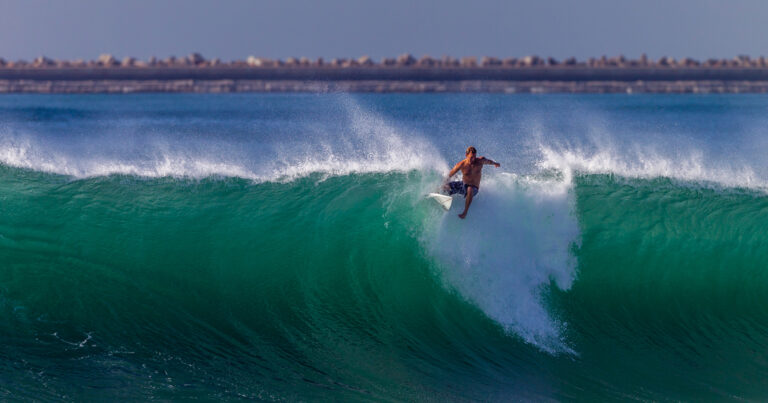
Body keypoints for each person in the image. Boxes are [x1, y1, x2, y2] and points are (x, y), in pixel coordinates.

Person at [443, 146, 500, 219]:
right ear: (466, 155)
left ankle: (465, 212)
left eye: (474, 157)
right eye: (471, 157)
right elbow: (450, 174)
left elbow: (489, 162)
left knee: (470, 189)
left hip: (474, 189)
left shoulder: (480, 161)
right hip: (463, 185)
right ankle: (438, 195)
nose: (473, 159)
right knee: (445, 186)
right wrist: (444, 182)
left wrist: (495, 163)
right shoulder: (461, 164)